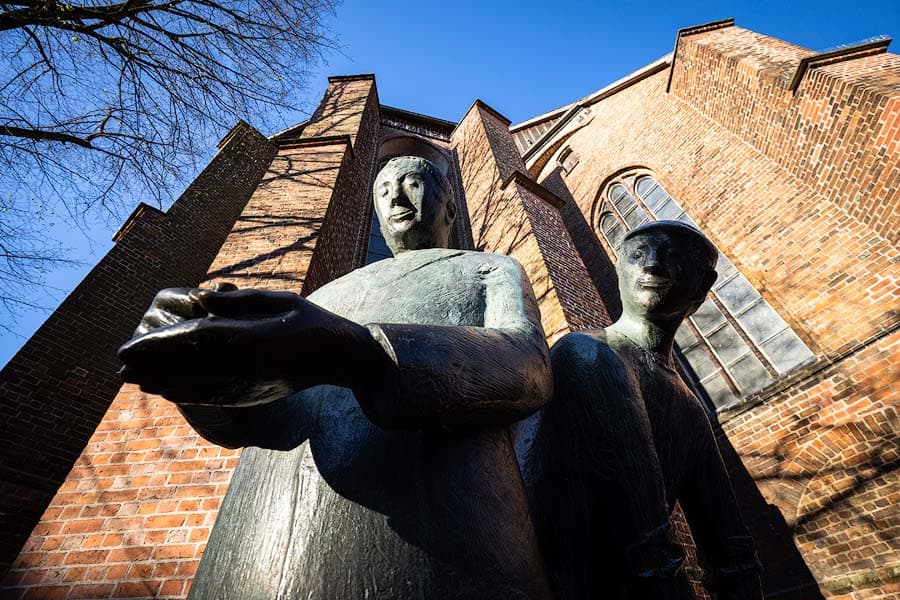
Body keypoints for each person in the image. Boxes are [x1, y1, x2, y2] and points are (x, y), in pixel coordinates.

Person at [119, 156, 553, 599]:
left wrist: (362, 352)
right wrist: (196, 375)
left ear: (450, 209)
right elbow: (269, 422)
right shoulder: (326, 295)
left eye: (412, 184)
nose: (397, 198)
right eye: (383, 192)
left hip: (442, 541)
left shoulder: (488, 267)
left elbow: (529, 366)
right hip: (267, 549)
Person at [519, 220, 763, 599]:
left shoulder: (688, 409)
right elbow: (643, 551)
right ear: (619, 273)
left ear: (702, 287)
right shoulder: (585, 354)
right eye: (637, 255)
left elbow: (732, 551)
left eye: (671, 255)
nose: (651, 265)